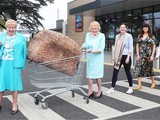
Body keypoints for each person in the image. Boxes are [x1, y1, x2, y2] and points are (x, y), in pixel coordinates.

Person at [0, 19, 27, 114]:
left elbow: (24, 52)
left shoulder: (21, 38)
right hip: (2, 64)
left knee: (14, 86)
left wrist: (22, 65)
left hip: (15, 65)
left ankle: (14, 104)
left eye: (13, 27)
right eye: (9, 27)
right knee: (0, 85)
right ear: (6, 28)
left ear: (15, 28)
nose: (11, 29)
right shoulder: (1, 36)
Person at [106, 23, 133, 94]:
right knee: (115, 72)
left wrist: (128, 57)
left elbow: (130, 47)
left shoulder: (129, 36)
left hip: (126, 56)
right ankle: (112, 88)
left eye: (124, 27)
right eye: (121, 27)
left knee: (127, 72)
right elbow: (116, 47)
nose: (122, 29)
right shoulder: (117, 36)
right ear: (119, 28)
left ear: (126, 28)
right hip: (118, 57)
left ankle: (130, 87)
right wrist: (114, 58)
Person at [80, 21, 105, 99]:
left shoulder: (102, 36)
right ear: (90, 28)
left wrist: (91, 51)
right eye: (93, 29)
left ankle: (99, 91)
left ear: (98, 28)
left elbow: (101, 48)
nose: (94, 30)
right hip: (90, 58)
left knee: (98, 76)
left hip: (98, 58)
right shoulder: (88, 35)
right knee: (89, 76)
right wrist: (80, 48)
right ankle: (90, 91)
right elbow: (86, 44)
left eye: (96, 29)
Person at [135, 23, 156, 90]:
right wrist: (137, 54)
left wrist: (152, 55)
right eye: (144, 27)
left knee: (149, 69)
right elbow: (137, 45)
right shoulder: (140, 36)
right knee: (139, 68)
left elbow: (154, 46)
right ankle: (139, 84)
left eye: (146, 27)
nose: (145, 29)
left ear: (148, 28)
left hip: (148, 55)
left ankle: (153, 82)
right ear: (142, 28)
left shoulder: (151, 36)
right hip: (141, 54)